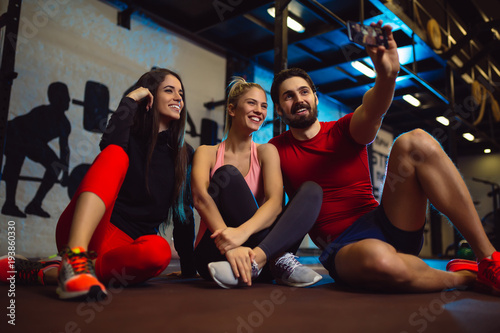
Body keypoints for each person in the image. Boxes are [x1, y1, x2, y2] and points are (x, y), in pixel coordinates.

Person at [268, 20, 500, 295]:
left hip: (387, 221)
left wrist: (387, 76)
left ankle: (488, 260)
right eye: (288, 96)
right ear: (280, 110)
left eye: (304, 91)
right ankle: (467, 278)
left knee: (416, 141)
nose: (299, 99)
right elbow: (268, 203)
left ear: (316, 98)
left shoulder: (343, 129)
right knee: (380, 260)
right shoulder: (274, 149)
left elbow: (373, 110)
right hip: (346, 247)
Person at [0, 68, 196, 299]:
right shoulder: (128, 135)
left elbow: (184, 211)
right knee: (115, 154)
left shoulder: (185, 154)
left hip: (126, 250)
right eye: (169, 90)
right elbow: (109, 146)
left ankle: (50, 272)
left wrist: (189, 268)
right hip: (89, 230)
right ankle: (74, 257)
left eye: (181, 93)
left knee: (159, 251)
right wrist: (131, 99)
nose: (178, 98)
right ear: (150, 96)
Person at [191, 77, 323, 288]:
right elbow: (200, 199)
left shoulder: (266, 151)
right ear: (232, 109)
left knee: (312, 191)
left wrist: (241, 233)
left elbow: (275, 204)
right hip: (217, 252)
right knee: (228, 175)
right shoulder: (206, 153)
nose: (259, 111)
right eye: (252, 103)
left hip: (262, 253)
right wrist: (231, 244)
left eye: (264, 106)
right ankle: (275, 258)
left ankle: (261, 260)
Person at [2, 82, 71, 218]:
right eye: (65, 96)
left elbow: (65, 150)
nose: (69, 100)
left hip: (33, 142)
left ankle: (35, 204)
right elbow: (24, 135)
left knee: (54, 165)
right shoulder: (42, 113)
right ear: (56, 99)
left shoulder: (64, 124)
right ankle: (9, 204)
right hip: (14, 134)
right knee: (16, 156)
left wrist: (65, 174)